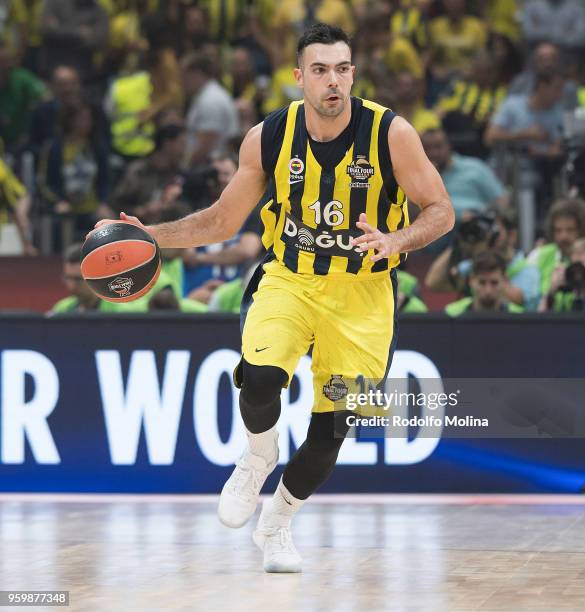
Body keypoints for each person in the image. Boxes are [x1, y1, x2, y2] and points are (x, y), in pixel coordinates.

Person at [95, 23, 454, 573]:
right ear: (298, 78)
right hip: (290, 279)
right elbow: (220, 220)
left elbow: (440, 211)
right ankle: (258, 455)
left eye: (342, 69)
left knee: (332, 430)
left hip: (364, 293)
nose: (333, 81)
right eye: (320, 70)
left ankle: (279, 522)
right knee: (260, 378)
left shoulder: (391, 133)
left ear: (352, 74)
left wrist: (396, 240)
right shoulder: (269, 136)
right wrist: (151, 236)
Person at [421, 128, 508, 219]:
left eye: (438, 146)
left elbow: (500, 199)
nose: (434, 153)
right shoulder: (419, 177)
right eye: (427, 148)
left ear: (449, 146)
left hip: (476, 223)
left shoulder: (475, 167)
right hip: (436, 226)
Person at [527, 198, 585, 296]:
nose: (563, 236)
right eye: (558, 230)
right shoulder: (538, 255)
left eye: (570, 230)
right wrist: (551, 290)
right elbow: (528, 300)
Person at [445, 251, 524, 315]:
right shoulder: (452, 314)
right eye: (482, 282)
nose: (488, 290)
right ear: (471, 281)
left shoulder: (519, 318)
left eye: (494, 283)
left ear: (504, 281)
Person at [0, 153, 37, 255]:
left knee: (20, 217)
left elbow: (6, 188)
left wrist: (13, 207)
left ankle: (28, 246)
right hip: (6, 198)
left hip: (19, 196)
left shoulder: (1, 167)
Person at [540, 237, 585, 312]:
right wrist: (552, 289)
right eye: (575, 253)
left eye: (582, 253)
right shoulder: (564, 274)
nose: (578, 257)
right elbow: (540, 314)